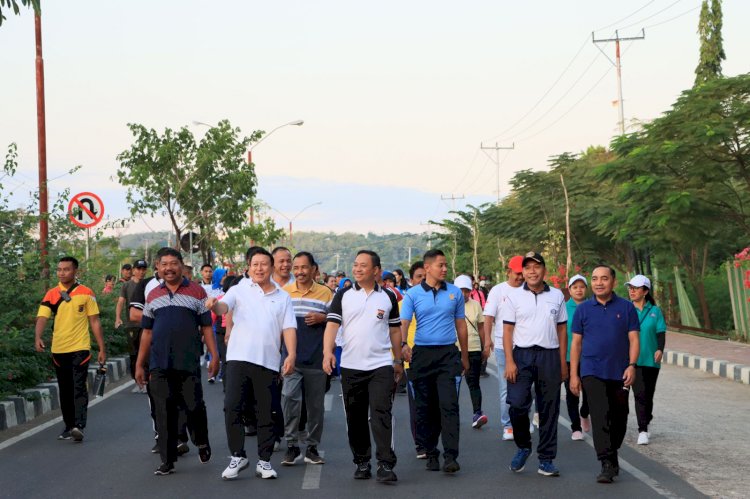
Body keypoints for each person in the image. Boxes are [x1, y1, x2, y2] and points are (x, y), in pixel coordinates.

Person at [206, 247, 297, 481]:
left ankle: (264, 461)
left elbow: (288, 328)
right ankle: (238, 455)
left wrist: (291, 355)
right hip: (237, 358)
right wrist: (214, 305)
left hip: (268, 362)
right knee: (232, 406)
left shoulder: (282, 296)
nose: (259, 268)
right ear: (248, 267)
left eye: (264, 264)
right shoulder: (239, 289)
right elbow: (223, 307)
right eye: (255, 264)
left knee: (266, 412)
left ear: (272, 267)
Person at [135, 247, 218, 475]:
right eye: (164, 264)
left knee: (194, 406)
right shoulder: (152, 295)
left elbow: (206, 327)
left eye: (173, 263)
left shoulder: (197, 292)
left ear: (181, 266)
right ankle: (167, 460)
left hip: (188, 362)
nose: (168, 268)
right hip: (159, 363)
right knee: (164, 410)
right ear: (158, 268)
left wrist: (214, 355)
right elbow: (147, 332)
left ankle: (201, 441)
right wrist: (139, 364)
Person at [322, 250, 402, 482]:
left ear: (376, 270)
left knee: (381, 414)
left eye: (363, 265)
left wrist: (397, 361)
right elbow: (332, 325)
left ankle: (386, 464)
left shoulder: (387, 297)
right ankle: (362, 461)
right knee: (355, 418)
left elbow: (395, 330)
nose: (357, 269)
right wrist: (328, 352)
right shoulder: (343, 295)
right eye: (355, 265)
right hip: (351, 365)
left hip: (380, 365)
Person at [569, 264, 640, 484]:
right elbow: (576, 344)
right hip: (592, 371)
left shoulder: (627, 308)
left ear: (613, 282)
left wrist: (632, 365)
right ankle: (606, 463)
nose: (599, 283)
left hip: (619, 372)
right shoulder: (583, 309)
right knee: (600, 415)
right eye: (595, 278)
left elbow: (634, 339)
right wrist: (574, 374)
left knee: (620, 417)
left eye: (604, 278)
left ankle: (612, 452)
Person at [400, 249, 469, 474]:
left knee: (449, 405)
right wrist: (403, 345)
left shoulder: (455, 293)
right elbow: (404, 322)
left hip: (448, 355)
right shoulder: (412, 294)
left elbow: (461, 326)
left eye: (446, 265)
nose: (445, 269)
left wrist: (464, 355)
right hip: (422, 355)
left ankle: (451, 456)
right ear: (427, 268)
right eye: (441, 265)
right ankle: (431, 452)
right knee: (425, 407)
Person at [502, 252, 567, 477]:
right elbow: (507, 330)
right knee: (517, 404)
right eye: (527, 267)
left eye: (536, 267)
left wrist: (563, 363)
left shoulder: (557, 295)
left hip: (549, 356)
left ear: (544, 270)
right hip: (522, 356)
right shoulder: (514, 297)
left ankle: (546, 459)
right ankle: (523, 445)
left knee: (549, 408)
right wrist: (509, 361)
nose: (531, 271)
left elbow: (562, 329)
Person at [35, 256, 107, 442]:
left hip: (80, 347)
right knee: (65, 389)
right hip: (58, 349)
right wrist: (38, 336)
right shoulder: (51, 294)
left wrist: (101, 348)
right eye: (59, 269)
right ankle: (68, 426)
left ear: (76, 271)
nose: (62, 272)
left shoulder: (86, 293)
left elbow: (95, 321)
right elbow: (42, 317)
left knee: (78, 386)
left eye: (66, 269)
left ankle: (79, 425)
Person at [280, 252, 332, 466]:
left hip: (316, 360)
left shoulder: (326, 293)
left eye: (304, 267)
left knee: (315, 407)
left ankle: (312, 447)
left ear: (314, 269)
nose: (299, 271)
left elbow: (339, 322)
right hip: (292, 360)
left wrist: (324, 317)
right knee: (289, 399)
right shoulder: (284, 293)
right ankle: (292, 446)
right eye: (296, 267)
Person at [482, 255, 524, 441]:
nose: (520, 277)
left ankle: (522, 422)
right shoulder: (498, 291)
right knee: (506, 387)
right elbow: (489, 317)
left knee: (526, 387)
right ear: (508, 271)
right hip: (502, 346)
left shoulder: (528, 289)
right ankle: (508, 425)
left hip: (525, 346)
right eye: (517, 273)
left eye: (523, 274)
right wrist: (487, 341)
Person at [625, 274, 666, 446]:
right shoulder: (626, 309)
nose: (632, 291)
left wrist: (659, 349)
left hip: (651, 360)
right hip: (632, 361)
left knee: (648, 395)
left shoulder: (655, 312)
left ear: (646, 291)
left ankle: (646, 417)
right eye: (630, 288)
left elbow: (660, 333)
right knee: (639, 394)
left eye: (636, 288)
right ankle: (642, 430)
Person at [453, 275, 487, 429]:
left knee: (473, 383)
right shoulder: (449, 305)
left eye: (467, 291)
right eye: (461, 290)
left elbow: (481, 327)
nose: (464, 294)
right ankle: (451, 415)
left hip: (473, 348)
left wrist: (485, 346)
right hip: (454, 349)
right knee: (453, 384)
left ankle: (477, 413)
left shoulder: (476, 305)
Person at [402, 260, 426, 457]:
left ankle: (432, 439)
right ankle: (421, 443)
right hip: (412, 361)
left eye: (426, 277)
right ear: (411, 280)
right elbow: (395, 333)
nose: (423, 280)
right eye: (419, 277)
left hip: (438, 360)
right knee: (417, 403)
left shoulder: (440, 300)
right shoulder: (403, 304)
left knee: (435, 403)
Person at [564, 274, 591, 441]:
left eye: (581, 287)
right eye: (575, 287)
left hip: (589, 357)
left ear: (586, 289)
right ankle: (575, 427)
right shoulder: (563, 308)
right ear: (570, 290)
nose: (578, 290)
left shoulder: (592, 307)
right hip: (568, 357)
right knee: (571, 391)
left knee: (589, 392)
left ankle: (584, 412)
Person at [115, 259, 148, 385]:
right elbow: (120, 302)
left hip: (146, 325)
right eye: (138, 269)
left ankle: (145, 378)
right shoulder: (126, 285)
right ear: (133, 270)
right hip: (131, 325)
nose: (141, 272)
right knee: (134, 353)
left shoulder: (148, 284)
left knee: (145, 353)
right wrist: (118, 318)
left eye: (143, 269)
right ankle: (136, 379)